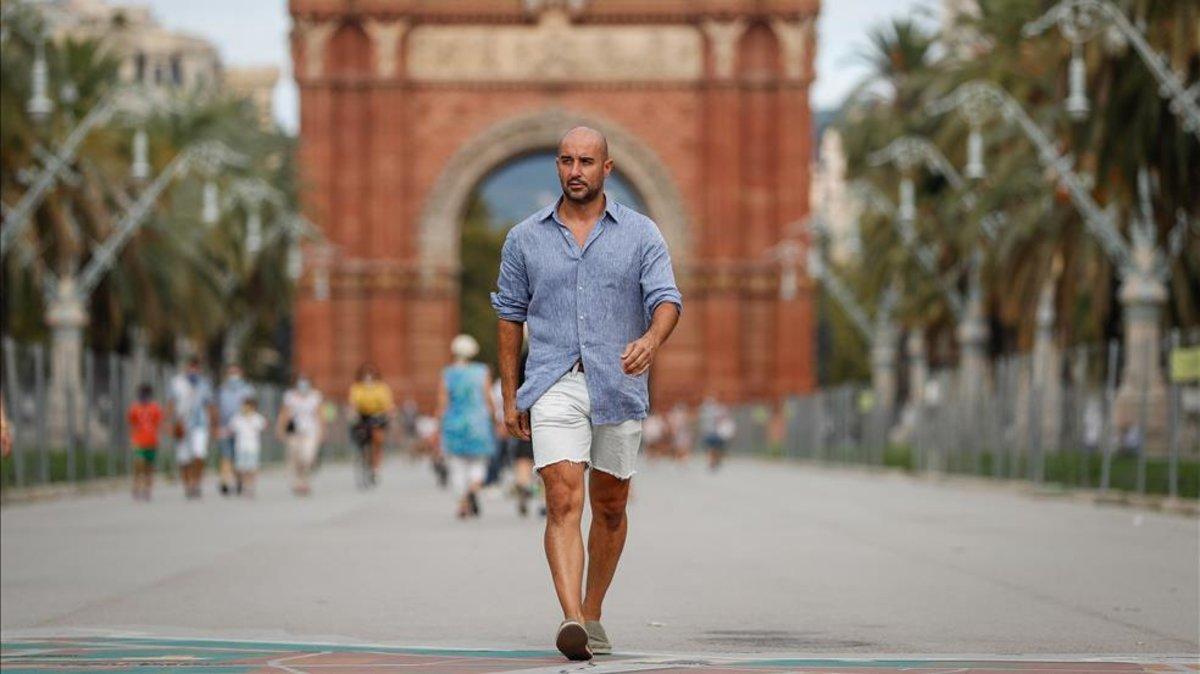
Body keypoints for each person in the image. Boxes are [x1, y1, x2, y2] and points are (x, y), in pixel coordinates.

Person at [491, 126, 682, 660]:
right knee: (562, 498)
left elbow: (667, 299)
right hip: (554, 381)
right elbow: (508, 316)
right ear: (557, 165)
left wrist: (650, 340)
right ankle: (571, 617)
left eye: (586, 162)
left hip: (618, 383)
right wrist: (510, 395)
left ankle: (593, 610)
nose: (575, 171)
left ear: (606, 168)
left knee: (611, 505)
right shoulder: (524, 238)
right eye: (566, 161)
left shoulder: (641, 233)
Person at [436, 334, 496, 518]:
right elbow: (488, 398)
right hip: (478, 423)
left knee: (457, 466)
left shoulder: (448, 373)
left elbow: (442, 402)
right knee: (479, 463)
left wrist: (438, 423)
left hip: (454, 423)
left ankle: (462, 503)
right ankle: (474, 488)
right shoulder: (482, 371)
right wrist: (494, 418)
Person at [168, 357, 215, 499]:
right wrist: (169, 423)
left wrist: (213, 425)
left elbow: (209, 404)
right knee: (184, 458)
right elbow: (171, 403)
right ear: (186, 368)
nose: (193, 370)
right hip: (182, 424)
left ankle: (196, 483)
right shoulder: (177, 383)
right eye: (191, 367)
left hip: (200, 424)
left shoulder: (204, 384)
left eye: (196, 367)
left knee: (199, 454)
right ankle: (187, 485)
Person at [278, 373, 324, 496]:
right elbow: (284, 413)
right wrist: (281, 429)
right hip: (294, 431)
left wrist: (321, 431)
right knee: (295, 457)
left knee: (307, 457)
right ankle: (299, 482)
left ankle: (305, 479)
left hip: (310, 431)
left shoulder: (315, 396)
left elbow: (319, 414)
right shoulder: (290, 396)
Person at [348, 363, 393, 487]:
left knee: (377, 439)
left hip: (377, 415)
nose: (368, 377)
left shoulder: (381, 387)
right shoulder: (357, 387)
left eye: (371, 374)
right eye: (365, 374)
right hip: (362, 416)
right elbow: (353, 403)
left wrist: (389, 414)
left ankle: (375, 468)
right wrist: (353, 414)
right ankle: (363, 457)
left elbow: (388, 404)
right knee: (361, 437)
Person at [215, 364, 255, 496]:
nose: (233, 376)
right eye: (231, 373)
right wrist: (216, 426)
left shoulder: (248, 390)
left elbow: (251, 409)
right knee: (226, 455)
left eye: (235, 373)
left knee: (239, 457)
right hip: (225, 427)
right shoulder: (222, 390)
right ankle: (225, 481)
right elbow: (216, 409)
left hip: (241, 430)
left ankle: (239, 481)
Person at [127, 384, 163, 501]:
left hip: (151, 441)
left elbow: (158, 423)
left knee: (149, 467)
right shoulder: (134, 408)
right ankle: (136, 486)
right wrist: (132, 438)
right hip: (139, 441)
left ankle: (147, 488)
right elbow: (131, 423)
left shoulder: (155, 408)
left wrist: (159, 437)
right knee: (139, 464)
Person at [230, 397, 267, 498]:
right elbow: (231, 428)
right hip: (240, 446)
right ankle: (243, 485)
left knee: (252, 468)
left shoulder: (257, 418)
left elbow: (263, 426)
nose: (245, 408)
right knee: (241, 468)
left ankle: (250, 486)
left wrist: (250, 419)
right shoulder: (237, 418)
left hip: (253, 446)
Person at [698, 396, 733, 471]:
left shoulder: (707, 412)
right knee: (713, 449)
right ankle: (713, 462)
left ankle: (713, 462)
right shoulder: (712, 412)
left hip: (714, 434)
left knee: (713, 449)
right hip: (712, 434)